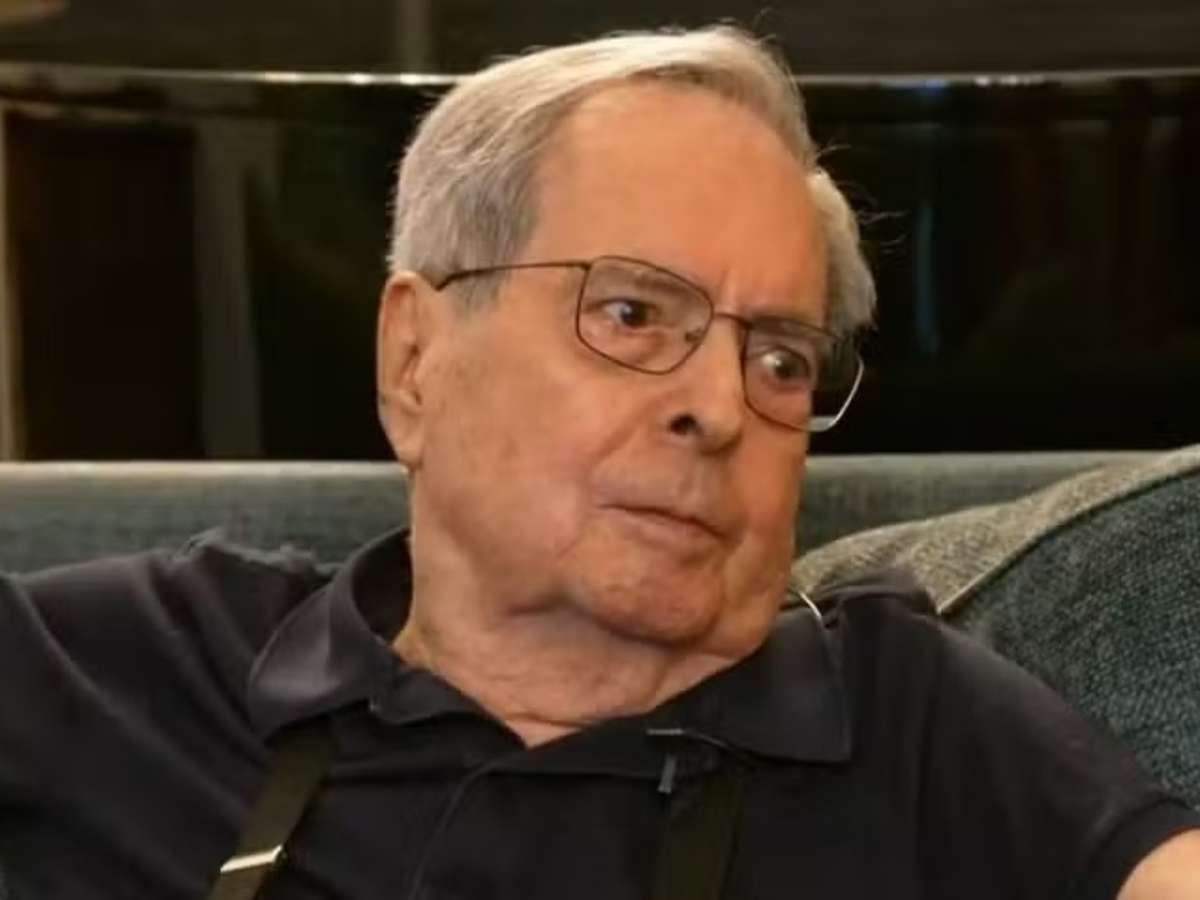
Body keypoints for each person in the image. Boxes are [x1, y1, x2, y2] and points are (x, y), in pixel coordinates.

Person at [1, 25, 1197, 900]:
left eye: (779, 358)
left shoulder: (908, 719)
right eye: (631, 314)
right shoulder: (134, 666)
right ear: (415, 359)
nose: (719, 408)